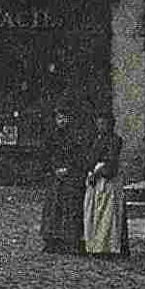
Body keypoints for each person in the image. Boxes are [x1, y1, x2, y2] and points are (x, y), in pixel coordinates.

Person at [40, 106, 85, 253]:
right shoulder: (52, 136)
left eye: (64, 118)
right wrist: (54, 169)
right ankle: (52, 240)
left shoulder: (76, 136)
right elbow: (47, 155)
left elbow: (79, 157)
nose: (61, 121)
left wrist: (68, 169)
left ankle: (70, 240)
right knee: (52, 208)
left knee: (70, 208)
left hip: (70, 177)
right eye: (59, 118)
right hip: (55, 176)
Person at [82, 111, 126, 256]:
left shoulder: (115, 140)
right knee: (94, 213)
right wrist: (90, 170)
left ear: (110, 125)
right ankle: (95, 245)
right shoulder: (96, 140)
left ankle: (107, 246)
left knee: (107, 215)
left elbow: (111, 159)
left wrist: (98, 172)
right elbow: (90, 157)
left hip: (107, 180)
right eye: (99, 124)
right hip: (95, 180)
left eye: (104, 124)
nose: (101, 127)